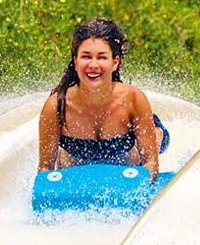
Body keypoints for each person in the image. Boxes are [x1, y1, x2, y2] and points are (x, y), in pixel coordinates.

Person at [38, 18, 166, 175]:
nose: (93, 65)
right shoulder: (56, 105)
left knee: (150, 141)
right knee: (67, 163)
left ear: (115, 62)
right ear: (75, 61)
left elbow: (151, 163)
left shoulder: (133, 99)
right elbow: (45, 168)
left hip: (131, 148)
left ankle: (156, 134)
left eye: (102, 57)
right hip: (79, 156)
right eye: (86, 56)